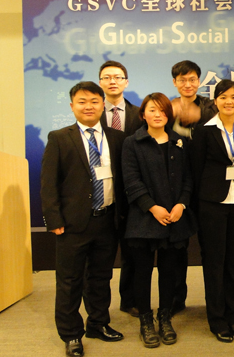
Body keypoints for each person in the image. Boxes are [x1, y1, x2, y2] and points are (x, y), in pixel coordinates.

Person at [41, 81, 125, 357]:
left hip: (108, 220)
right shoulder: (59, 137)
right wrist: (54, 219)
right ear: (72, 106)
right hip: (72, 223)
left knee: (100, 277)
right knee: (69, 281)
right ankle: (71, 335)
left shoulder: (117, 138)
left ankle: (98, 324)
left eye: (94, 101)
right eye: (82, 101)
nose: (88, 106)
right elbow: (49, 183)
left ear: (103, 105)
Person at [121, 93, 195, 348]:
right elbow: (131, 180)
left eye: (162, 110)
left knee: (169, 272)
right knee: (142, 272)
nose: (157, 114)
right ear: (143, 114)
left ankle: (165, 318)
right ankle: (146, 321)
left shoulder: (180, 142)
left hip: (175, 218)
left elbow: (188, 178)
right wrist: (152, 207)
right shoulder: (132, 143)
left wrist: (181, 204)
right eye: (152, 110)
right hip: (144, 218)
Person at [191, 79, 234, 343]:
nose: (228, 102)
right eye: (223, 97)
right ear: (215, 101)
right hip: (211, 204)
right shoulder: (204, 131)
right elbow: (196, 170)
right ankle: (216, 318)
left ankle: (232, 315)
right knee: (214, 262)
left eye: (233, 97)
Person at [168, 60, 217, 315]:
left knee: (211, 247)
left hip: (207, 186)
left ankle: (216, 302)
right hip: (176, 188)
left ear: (199, 81)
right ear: (174, 82)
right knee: (177, 248)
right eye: (182, 80)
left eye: (192, 79)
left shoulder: (210, 107)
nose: (188, 84)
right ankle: (176, 299)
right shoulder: (166, 108)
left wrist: (197, 118)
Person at [98, 60, 142, 318]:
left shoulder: (140, 114)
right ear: (100, 82)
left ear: (126, 82)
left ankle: (130, 300)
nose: (112, 81)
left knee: (132, 252)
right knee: (101, 255)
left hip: (132, 192)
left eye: (117, 77)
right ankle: (98, 310)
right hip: (101, 192)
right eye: (107, 77)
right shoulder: (92, 113)